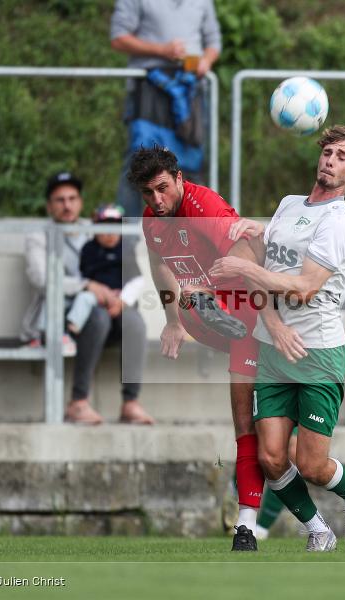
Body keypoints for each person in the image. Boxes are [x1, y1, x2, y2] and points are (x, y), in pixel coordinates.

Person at [209, 125, 345, 552]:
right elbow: (260, 265)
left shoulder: (340, 222)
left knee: (312, 464)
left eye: (342, 156)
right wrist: (275, 322)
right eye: (328, 151)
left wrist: (246, 270)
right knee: (270, 458)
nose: (330, 160)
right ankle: (317, 528)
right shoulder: (288, 205)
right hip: (274, 347)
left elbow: (303, 286)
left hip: (317, 353)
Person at [128, 147, 265, 551]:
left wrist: (211, 289)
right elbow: (159, 265)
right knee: (247, 427)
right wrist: (171, 320)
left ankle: (307, 517)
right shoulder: (152, 220)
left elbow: (248, 251)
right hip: (216, 321)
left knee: (274, 446)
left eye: (162, 188)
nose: (157, 200)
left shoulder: (202, 203)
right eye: (148, 193)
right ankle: (246, 526)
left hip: (249, 314)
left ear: (179, 177)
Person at [21, 172, 152, 425]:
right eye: (60, 200)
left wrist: (118, 297)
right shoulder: (38, 238)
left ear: (81, 202)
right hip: (62, 317)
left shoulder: (97, 230)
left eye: (72, 198)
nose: (67, 205)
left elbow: (121, 266)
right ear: (49, 206)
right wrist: (88, 286)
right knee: (98, 317)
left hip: (104, 308)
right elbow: (42, 279)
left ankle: (130, 403)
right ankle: (78, 403)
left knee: (134, 321)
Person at [255, 255, 345, 540]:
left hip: (322, 363)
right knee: (271, 453)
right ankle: (311, 529)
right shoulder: (282, 255)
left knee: (306, 460)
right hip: (279, 362)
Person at [110, 0, 221, 217]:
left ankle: (202, 234)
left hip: (190, 88)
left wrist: (206, 61)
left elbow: (213, 41)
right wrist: (161, 50)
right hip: (149, 86)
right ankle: (127, 244)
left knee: (192, 165)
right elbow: (118, 38)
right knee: (138, 164)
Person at [65, 204, 128, 335]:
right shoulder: (89, 248)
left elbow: (134, 278)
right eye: (105, 228)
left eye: (116, 229)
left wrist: (122, 297)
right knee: (83, 298)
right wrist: (98, 289)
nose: (110, 234)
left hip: (118, 295)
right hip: (96, 293)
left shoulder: (125, 249)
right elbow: (84, 272)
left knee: (131, 319)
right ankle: (72, 327)